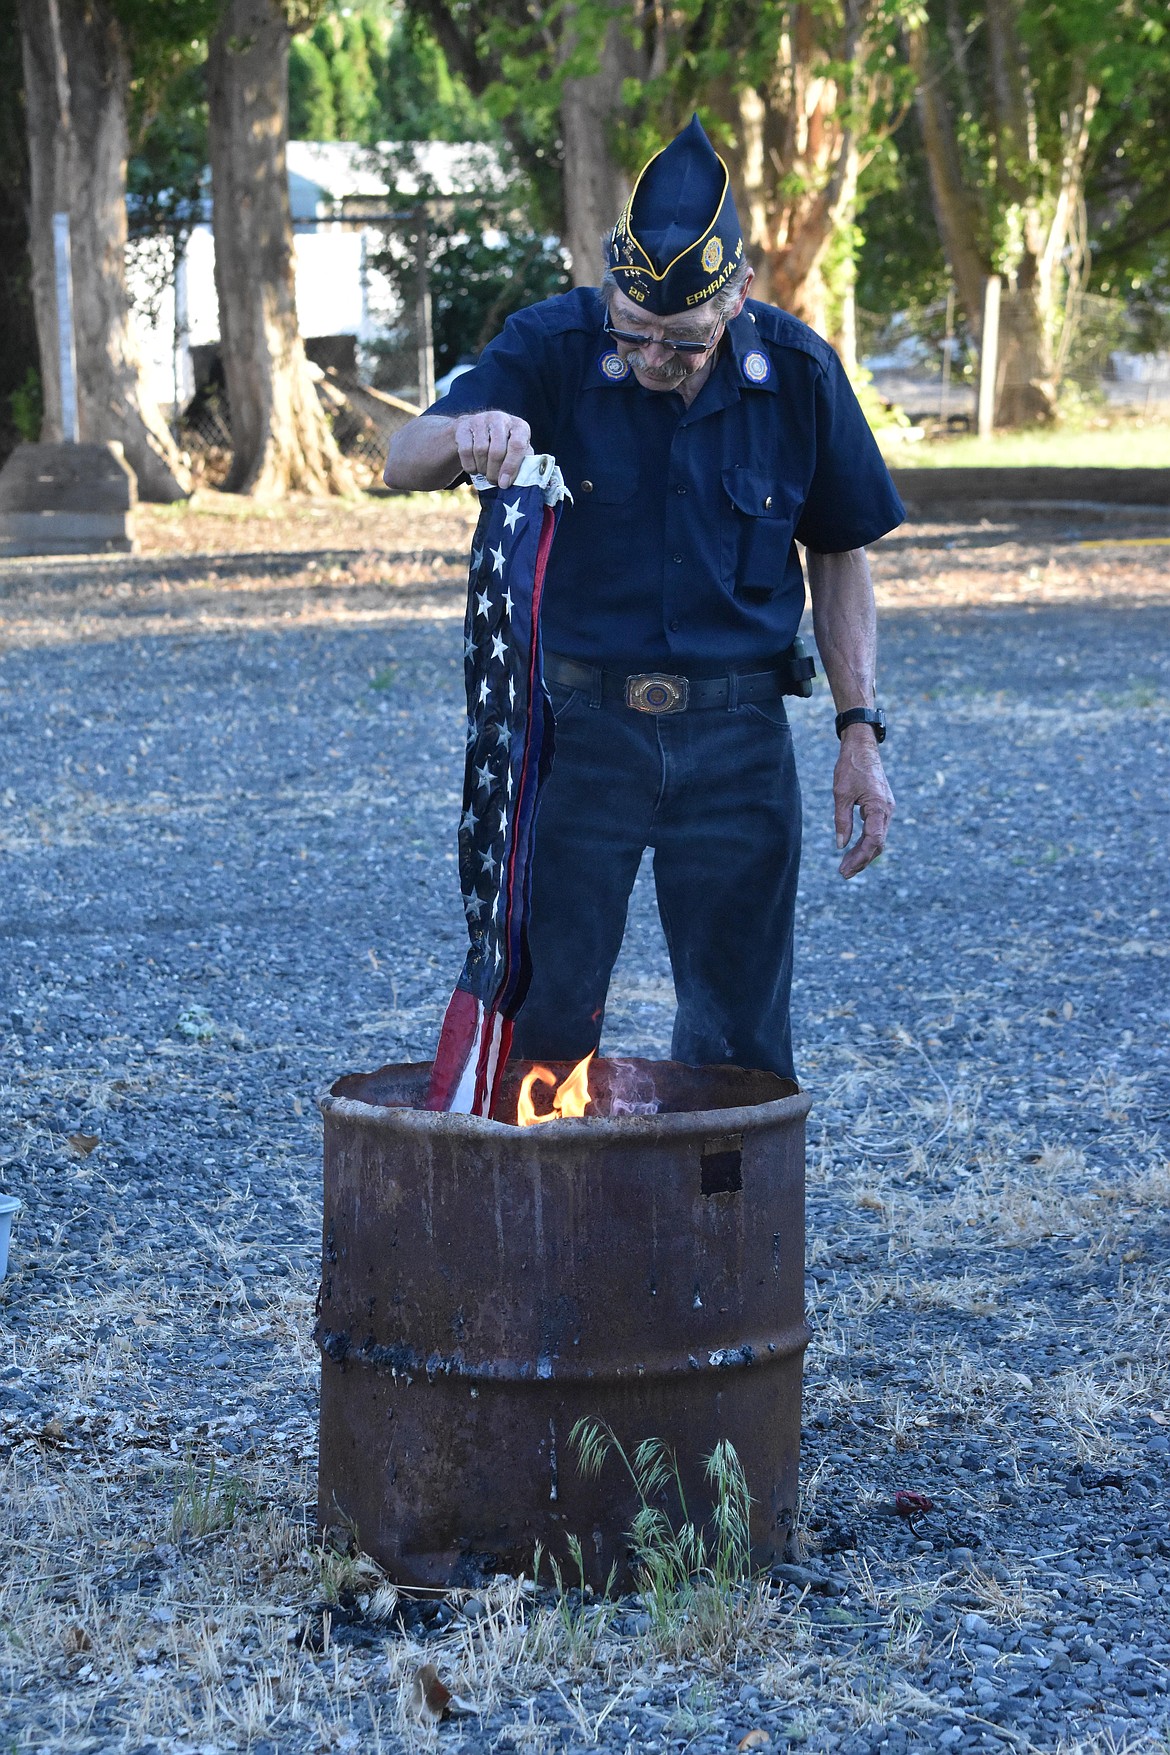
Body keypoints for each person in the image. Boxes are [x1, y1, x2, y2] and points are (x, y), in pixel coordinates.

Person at [384, 115, 903, 1081]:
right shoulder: (553, 343)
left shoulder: (797, 373)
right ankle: (541, 1217)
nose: (655, 358)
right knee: (546, 1018)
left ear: (740, 296)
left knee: (739, 1038)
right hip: (582, 738)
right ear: (610, 281)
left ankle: (722, 1222)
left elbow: (839, 553)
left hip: (738, 742)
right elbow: (398, 457)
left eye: (686, 342)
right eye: (637, 331)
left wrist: (858, 733)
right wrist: (468, 434)